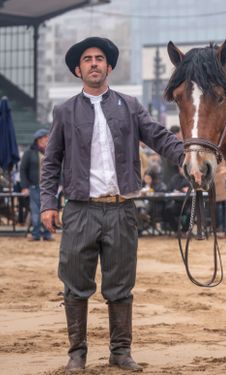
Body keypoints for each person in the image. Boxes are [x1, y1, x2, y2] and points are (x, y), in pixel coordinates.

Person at [40, 36, 184, 373]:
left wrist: (185, 155)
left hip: (122, 209)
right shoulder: (65, 111)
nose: (94, 63)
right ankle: (77, 354)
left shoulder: (130, 106)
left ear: (109, 67)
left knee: (121, 285)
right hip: (79, 210)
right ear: (78, 70)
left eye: (99, 58)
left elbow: (159, 136)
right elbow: (51, 162)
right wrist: (48, 202)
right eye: (87, 59)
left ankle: (121, 352)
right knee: (75, 284)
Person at [20, 128, 53, 241]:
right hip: (34, 187)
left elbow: (58, 168)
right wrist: (24, 187)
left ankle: (47, 234)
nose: (48, 139)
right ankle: (36, 234)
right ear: (39, 139)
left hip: (48, 187)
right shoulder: (29, 153)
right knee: (35, 211)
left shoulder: (51, 152)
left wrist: (60, 184)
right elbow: (23, 170)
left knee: (48, 210)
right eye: (45, 137)